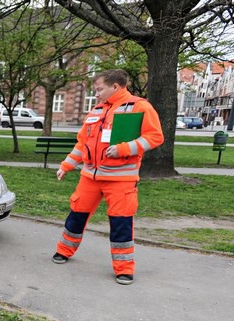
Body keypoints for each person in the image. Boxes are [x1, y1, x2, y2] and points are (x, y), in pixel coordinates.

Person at [52, 69, 164, 285]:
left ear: (116, 86)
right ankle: (64, 251)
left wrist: (124, 149)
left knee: (121, 222)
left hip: (121, 180)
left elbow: (155, 136)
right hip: (89, 178)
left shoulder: (139, 107)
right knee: (76, 215)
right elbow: (83, 143)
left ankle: (124, 269)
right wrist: (66, 165)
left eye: (99, 89)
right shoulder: (96, 110)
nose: (96, 94)